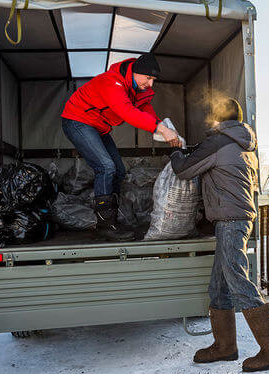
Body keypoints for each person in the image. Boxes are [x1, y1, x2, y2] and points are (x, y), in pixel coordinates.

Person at [169, 97, 269, 372]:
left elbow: (184, 169)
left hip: (230, 220)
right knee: (219, 286)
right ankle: (225, 346)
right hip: (237, 218)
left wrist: (176, 151)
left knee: (237, 279)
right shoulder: (243, 143)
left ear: (221, 118)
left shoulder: (219, 141)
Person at [60, 53, 181, 241]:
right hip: (77, 120)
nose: (150, 84)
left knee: (118, 170)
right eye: (148, 78)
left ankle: (112, 220)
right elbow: (127, 112)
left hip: (98, 127)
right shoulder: (111, 81)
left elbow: (146, 111)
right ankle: (105, 225)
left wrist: (164, 128)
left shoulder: (138, 89)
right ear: (135, 72)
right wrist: (160, 129)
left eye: (153, 80)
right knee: (106, 167)